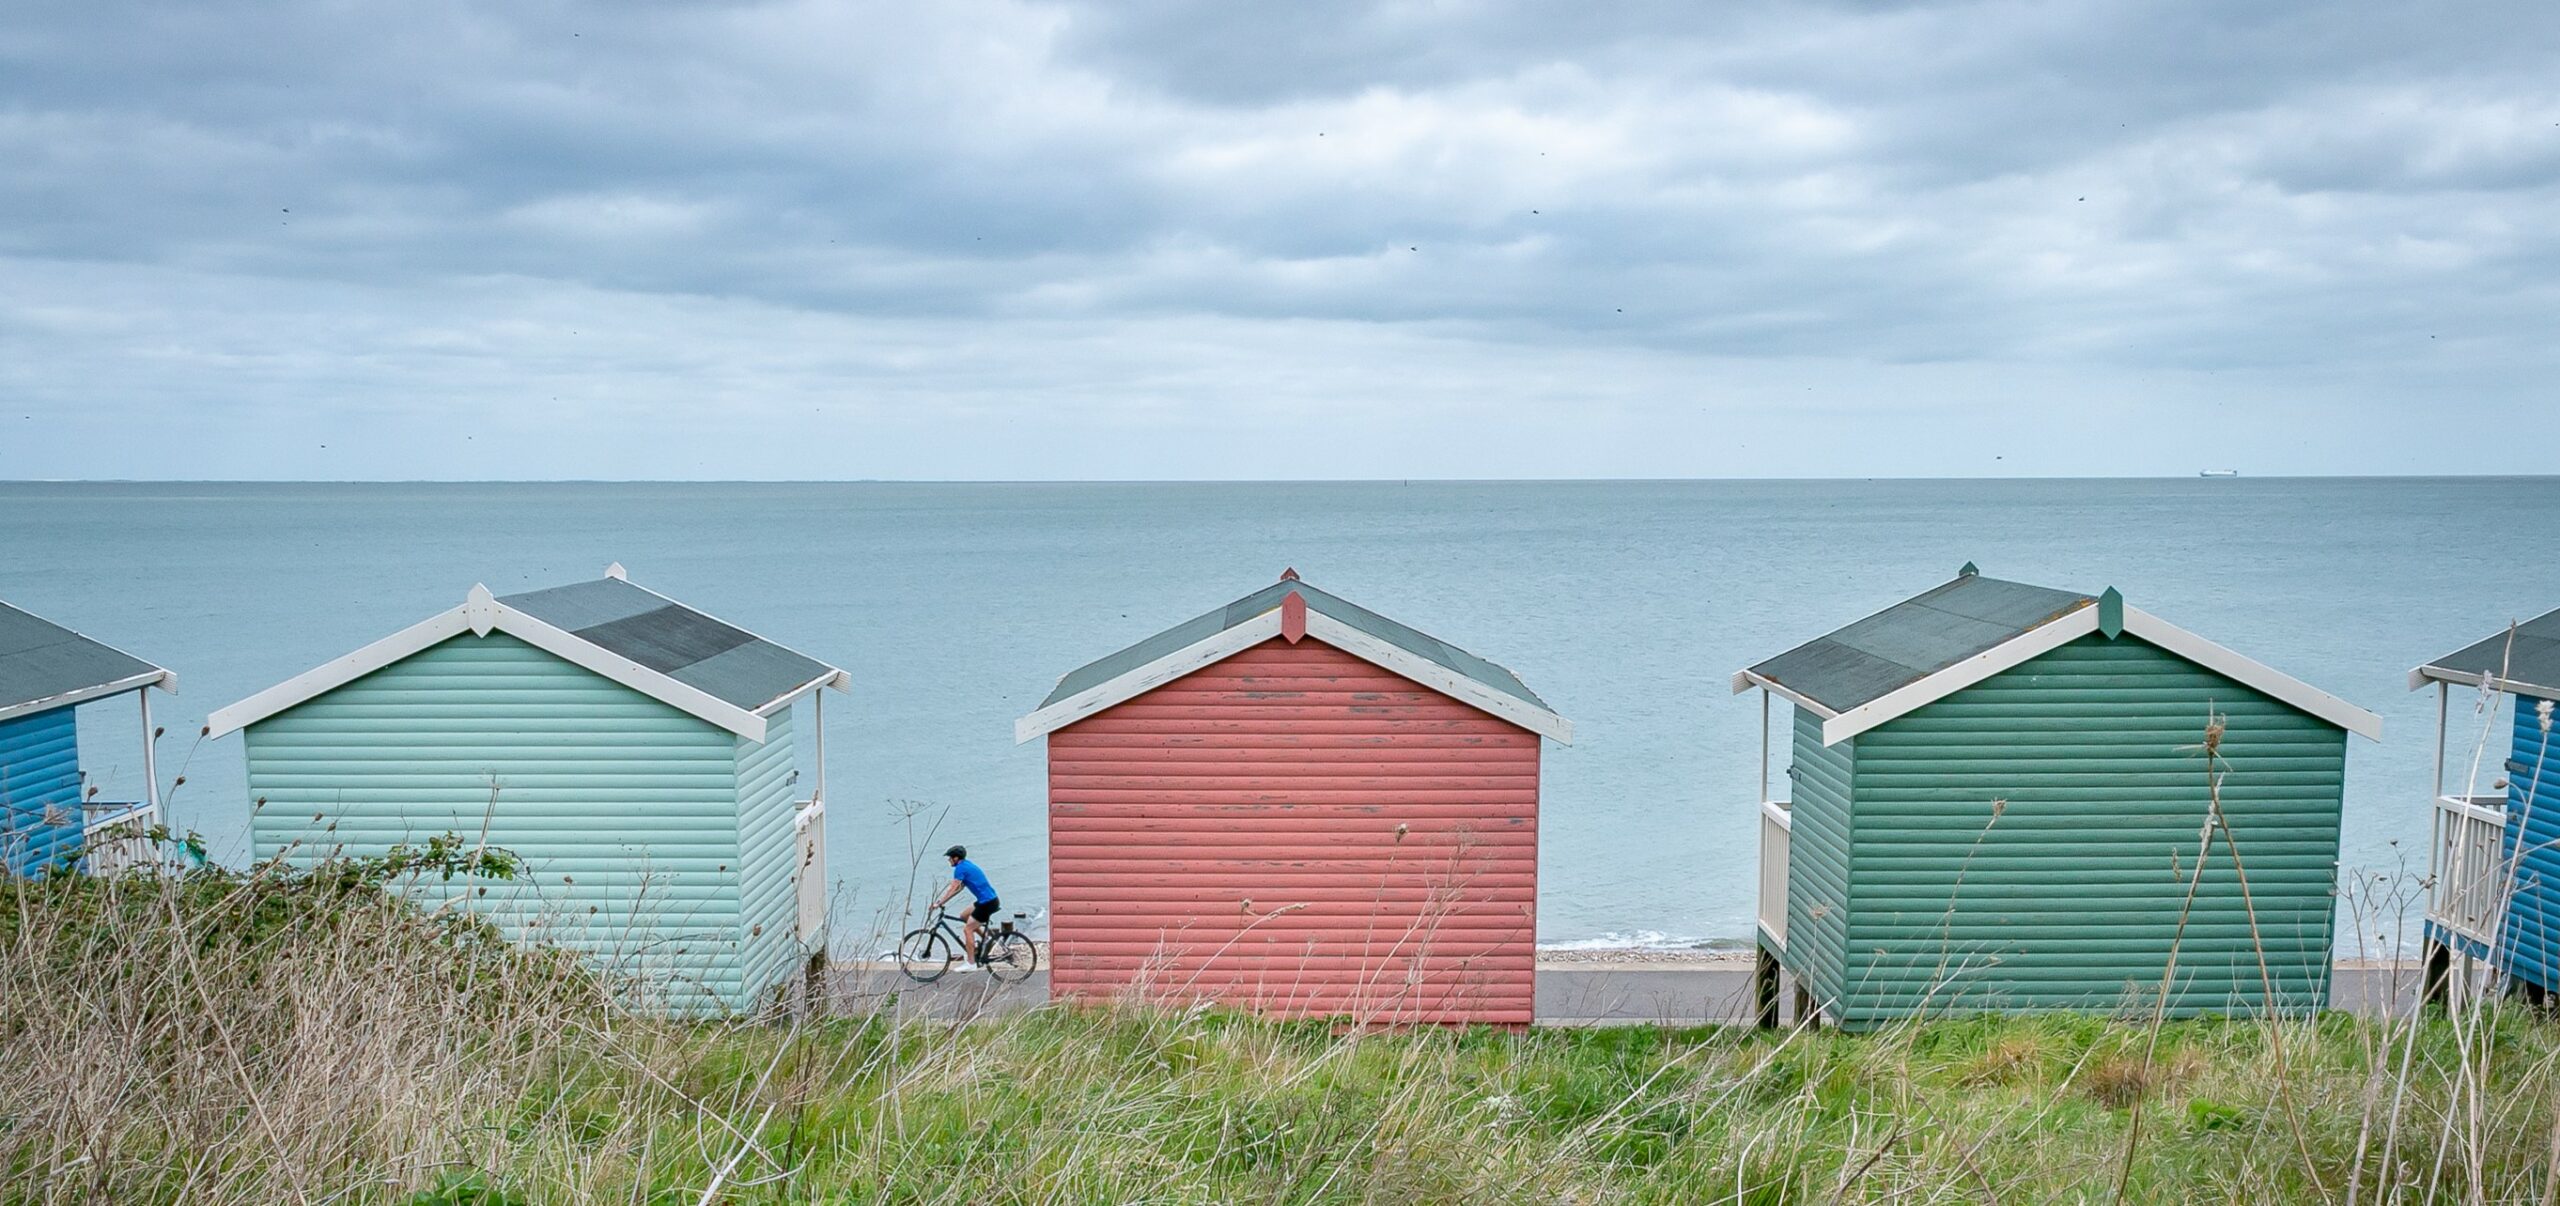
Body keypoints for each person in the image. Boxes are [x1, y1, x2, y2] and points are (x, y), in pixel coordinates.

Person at [931, 844, 1000, 968]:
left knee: (967, 929)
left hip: (987, 903)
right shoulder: (967, 865)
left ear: (956, 858)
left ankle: (971, 963)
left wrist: (939, 903)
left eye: (950, 858)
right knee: (964, 916)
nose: (949, 860)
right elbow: (959, 889)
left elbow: (953, 888)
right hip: (988, 900)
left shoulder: (960, 869)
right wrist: (943, 901)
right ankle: (987, 938)